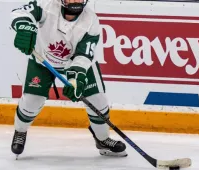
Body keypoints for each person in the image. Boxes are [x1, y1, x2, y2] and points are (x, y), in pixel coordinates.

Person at [10, 0, 127, 157]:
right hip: (42, 60)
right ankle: (20, 131)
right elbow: (21, 13)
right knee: (32, 101)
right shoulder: (46, 6)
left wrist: (76, 80)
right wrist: (24, 27)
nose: (75, 1)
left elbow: (84, 56)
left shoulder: (91, 20)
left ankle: (102, 139)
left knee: (98, 100)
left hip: (76, 64)